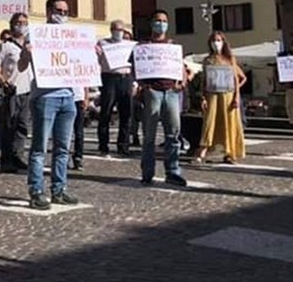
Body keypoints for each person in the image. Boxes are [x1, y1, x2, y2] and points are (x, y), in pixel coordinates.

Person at [19, 0, 79, 210]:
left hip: (68, 97)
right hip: (44, 97)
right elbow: (20, 67)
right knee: (39, 147)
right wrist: (26, 54)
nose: (62, 14)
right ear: (47, 11)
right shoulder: (35, 35)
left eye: (65, 11)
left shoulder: (73, 36)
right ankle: (36, 190)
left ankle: (59, 189)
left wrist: (94, 54)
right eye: (58, 10)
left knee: (63, 148)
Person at [135, 10, 188, 187]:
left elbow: (181, 67)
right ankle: (147, 173)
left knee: (173, 134)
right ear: (151, 23)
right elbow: (134, 69)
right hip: (152, 92)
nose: (161, 23)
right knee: (149, 136)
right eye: (157, 20)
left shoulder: (173, 46)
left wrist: (183, 81)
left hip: (172, 92)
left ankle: (173, 172)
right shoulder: (142, 46)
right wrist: (141, 85)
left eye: (164, 21)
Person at [193, 32, 246, 165]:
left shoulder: (229, 59)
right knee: (209, 122)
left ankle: (230, 153)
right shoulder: (207, 60)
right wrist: (203, 98)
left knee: (230, 123)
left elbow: (237, 78)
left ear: (223, 42)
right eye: (213, 40)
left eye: (218, 40)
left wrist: (236, 96)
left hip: (228, 95)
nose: (216, 43)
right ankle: (203, 150)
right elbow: (204, 82)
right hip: (212, 95)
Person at [0, 13, 32, 174]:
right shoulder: (5, 46)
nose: (21, 25)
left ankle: (18, 156)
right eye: (18, 22)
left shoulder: (31, 45)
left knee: (22, 125)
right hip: (12, 90)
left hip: (28, 89)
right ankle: (6, 159)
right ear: (12, 24)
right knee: (9, 125)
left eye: (24, 22)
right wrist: (3, 82)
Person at [95, 20, 134, 157]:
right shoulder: (102, 43)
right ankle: (103, 145)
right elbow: (96, 60)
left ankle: (123, 145)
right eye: (117, 29)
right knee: (106, 112)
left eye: (122, 30)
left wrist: (134, 83)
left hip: (126, 78)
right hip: (109, 78)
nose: (119, 32)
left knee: (126, 114)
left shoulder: (129, 45)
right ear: (111, 30)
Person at [71, 87, 89, 170]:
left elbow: (85, 80)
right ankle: (62, 159)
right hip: (63, 97)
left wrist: (86, 97)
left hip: (78, 98)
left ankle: (78, 157)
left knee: (79, 132)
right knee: (62, 133)